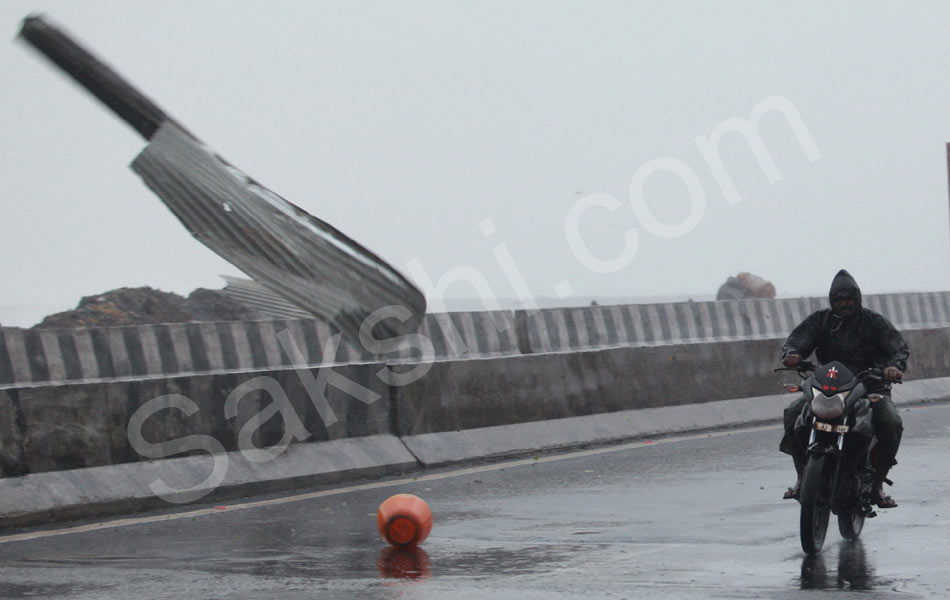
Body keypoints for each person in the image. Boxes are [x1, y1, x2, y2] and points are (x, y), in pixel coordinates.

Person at [779, 269, 908, 508]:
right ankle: (801, 477)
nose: (844, 303)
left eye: (849, 298)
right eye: (839, 299)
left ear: (857, 299)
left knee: (890, 421)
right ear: (832, 300)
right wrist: (793, 354)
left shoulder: (874, 322)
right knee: (794, 413)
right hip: (828, 388)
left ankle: (877, 486)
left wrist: (893, 367)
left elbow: (898, 349)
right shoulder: (821, 320)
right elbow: (797, 340)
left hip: (870, 386)